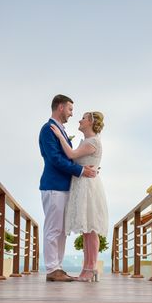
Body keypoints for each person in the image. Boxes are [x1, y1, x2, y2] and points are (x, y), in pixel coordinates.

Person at [39, 95, 97, 282]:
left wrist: (87, 167)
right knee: (53, 229)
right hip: (54, 185)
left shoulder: (60, 130)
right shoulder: (48, 129)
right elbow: (55, 159)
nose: (72, 114)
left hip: (64, 187)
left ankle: (57, 267)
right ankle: (51, 268)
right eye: (70, 109)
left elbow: (70, 157)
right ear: (61, 107)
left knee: (62, 230)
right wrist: (81, 170)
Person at [50, 111, 108, 282]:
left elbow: (72, 155)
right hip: (82, 185)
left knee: (90, 229)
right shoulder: (88, 142)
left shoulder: (93, 141)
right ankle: (87, 269)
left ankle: (90, 268)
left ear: (90, 122)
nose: (80, 120)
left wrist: (61, 136)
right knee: (86, 230)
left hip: (88, 187)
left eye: (83, 118)